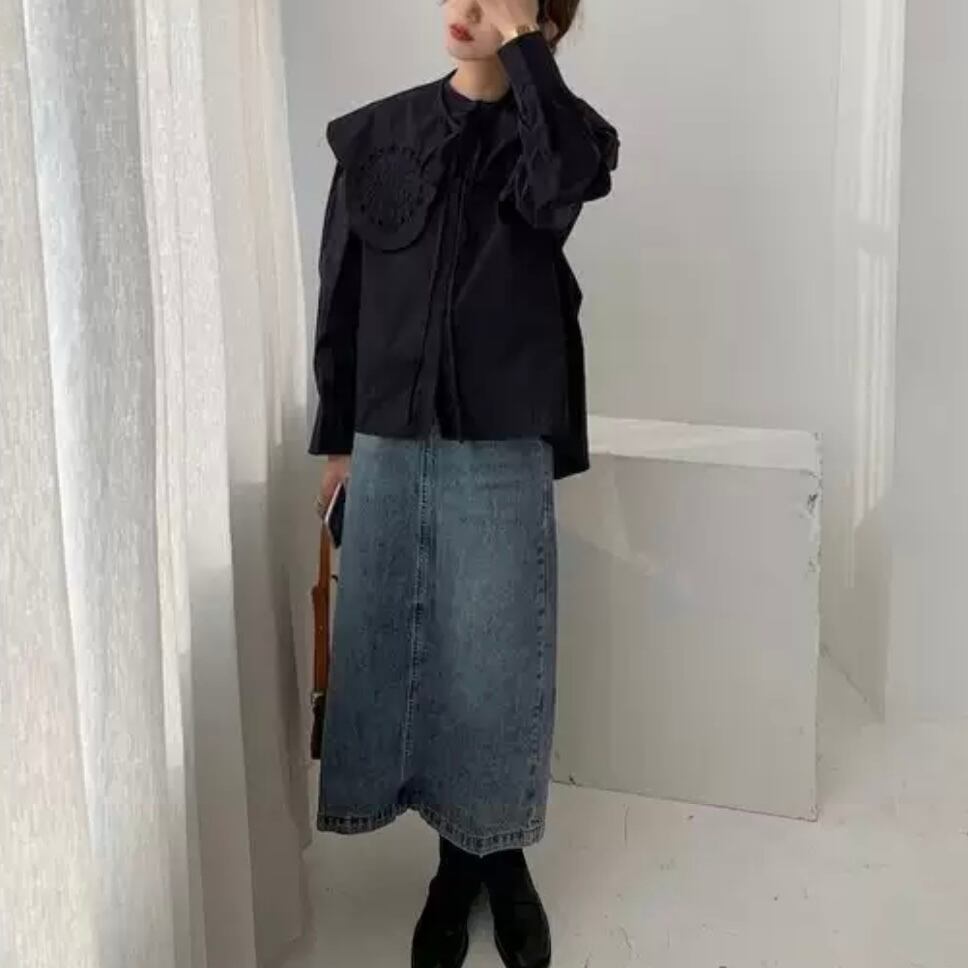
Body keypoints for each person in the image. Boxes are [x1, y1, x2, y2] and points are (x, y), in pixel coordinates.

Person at [310, 1, 618, 965]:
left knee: (496, 656)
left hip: (502, 434)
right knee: (410, 656)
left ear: (540, 21)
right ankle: (457, 864)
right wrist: (337, 444)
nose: (463, 10)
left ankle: (494, 860)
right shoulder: (378, 135)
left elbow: (564, 183)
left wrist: (526, 49)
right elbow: (342, 293)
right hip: (388, 433)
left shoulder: (559, 135)